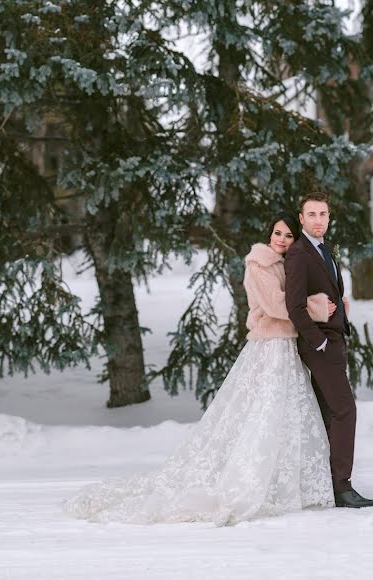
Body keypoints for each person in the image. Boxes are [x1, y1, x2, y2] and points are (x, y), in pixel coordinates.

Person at [63, 213, 337, 526]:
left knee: (284, 414)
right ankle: (254, 480)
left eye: (288, 236)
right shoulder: (259, 264)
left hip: (284, 343)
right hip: (270, 344)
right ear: (269, 234)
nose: (282, 240)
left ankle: (284, 482)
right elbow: (278, 306)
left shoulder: (285, 263)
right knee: (265, 412)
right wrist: (318, 307)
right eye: (277, 234)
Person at [285, 191, 373, 509]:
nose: (318, 220)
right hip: (320, 344)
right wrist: (319, 341)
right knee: (345, 410)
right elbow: (294, 306)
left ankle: (327, 484)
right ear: (301, 219)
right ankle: (342, 486)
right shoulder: (299, 253)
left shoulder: (324, 249)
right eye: (311, 214)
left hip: (335, 339)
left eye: (323, 214)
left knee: (328, 413)